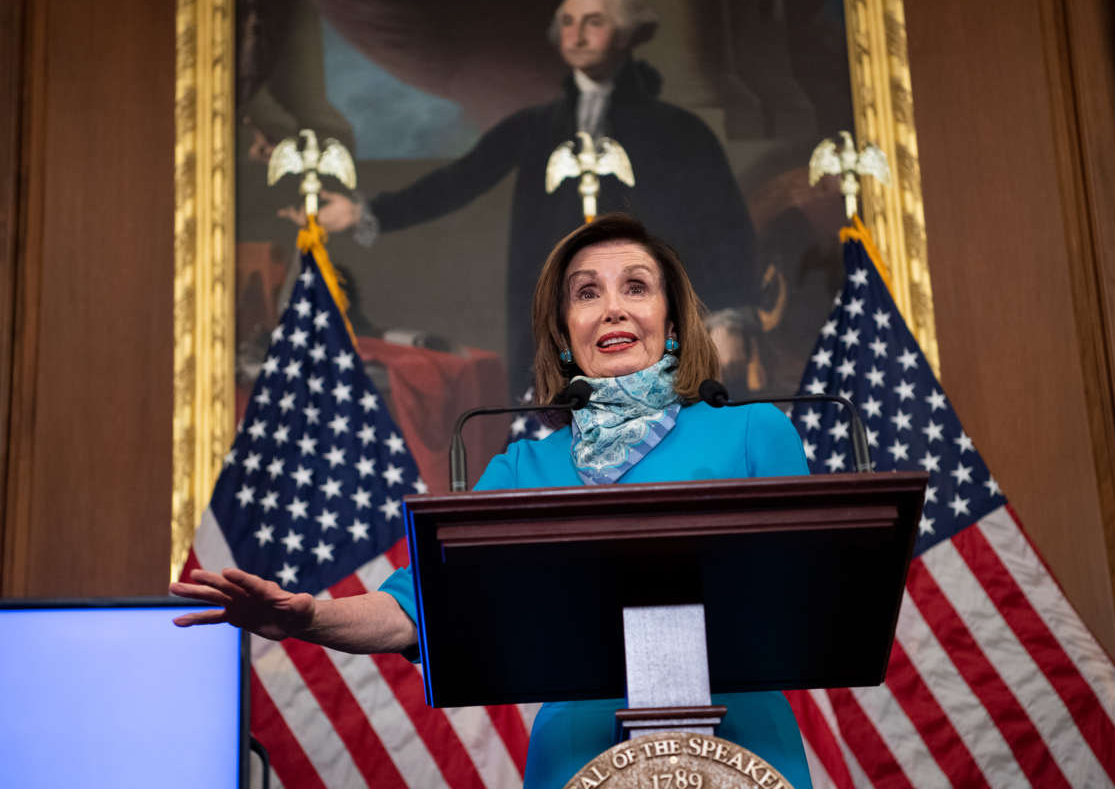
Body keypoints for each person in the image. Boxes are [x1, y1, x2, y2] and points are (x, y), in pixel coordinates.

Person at [172, 213, 812, 788]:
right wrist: (308, 618)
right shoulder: (523, 466)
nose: (612, 308)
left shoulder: (753, 432)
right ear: (565, 335)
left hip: (742, 752)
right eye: (587, 293)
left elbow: (810, 591)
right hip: (580, 761)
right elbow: (416, 606)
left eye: (636, 287)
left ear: (671, 322)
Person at [281, 0, 759, 398]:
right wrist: (367, 211)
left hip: (650, 320)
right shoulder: (536, 127)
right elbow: (459, 181)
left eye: (594, 22)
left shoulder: (680, 131)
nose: (576, 34)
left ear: (629, 34)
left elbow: (723, 224)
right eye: (567, 22)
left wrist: (730, 312)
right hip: (559, 319)